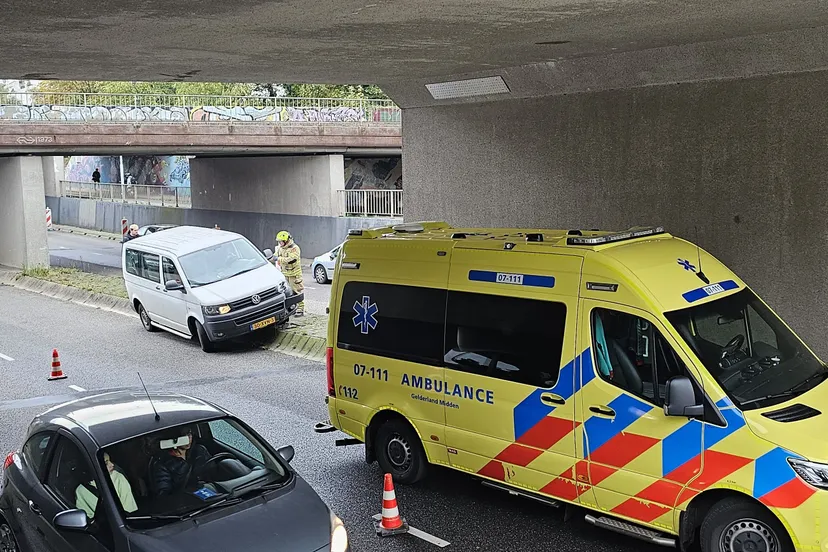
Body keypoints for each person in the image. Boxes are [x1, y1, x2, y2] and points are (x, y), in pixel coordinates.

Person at [149, 425, 211, 496]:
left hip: (212, 493)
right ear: (173, 439)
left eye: (189, 434)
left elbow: (214, 472)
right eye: (184, 436)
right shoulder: (162, 464)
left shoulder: (200, 451)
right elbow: (165, 495)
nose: (189, 438)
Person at [75, 452, 137, 519]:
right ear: (93, 466)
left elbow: (129, 511)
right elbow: (85, 519)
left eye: (110, 461)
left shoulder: (118, 478)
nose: (112, 464)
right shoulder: (81, 490)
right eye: (106, 463)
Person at [275, 230, 304, 316]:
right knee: (287, 292)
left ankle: (300, 309)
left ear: (286, 240)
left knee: (297, 291)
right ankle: (291, 308)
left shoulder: (294, 248)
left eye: (281, 241)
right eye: (279, 242)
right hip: (285, 274)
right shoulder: (281, 248)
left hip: (294, 275)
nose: (280, 243)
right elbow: (275, 256)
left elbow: (291, 259)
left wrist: (279, 259)